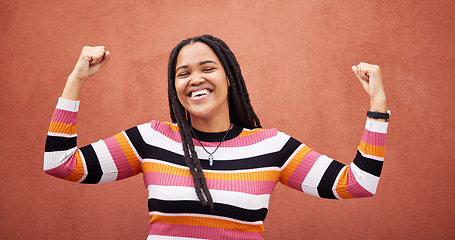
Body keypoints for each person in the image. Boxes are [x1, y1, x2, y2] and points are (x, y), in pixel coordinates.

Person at [44, 35, 389, 239]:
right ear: (174, 87)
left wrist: (377, 106)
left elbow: (356, 184)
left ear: (229, 78)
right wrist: (77, 79)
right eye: (183, 73)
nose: (195, 79)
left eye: (207, 68)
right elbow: (61, 164)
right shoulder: (151, 140)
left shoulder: (271, 147)